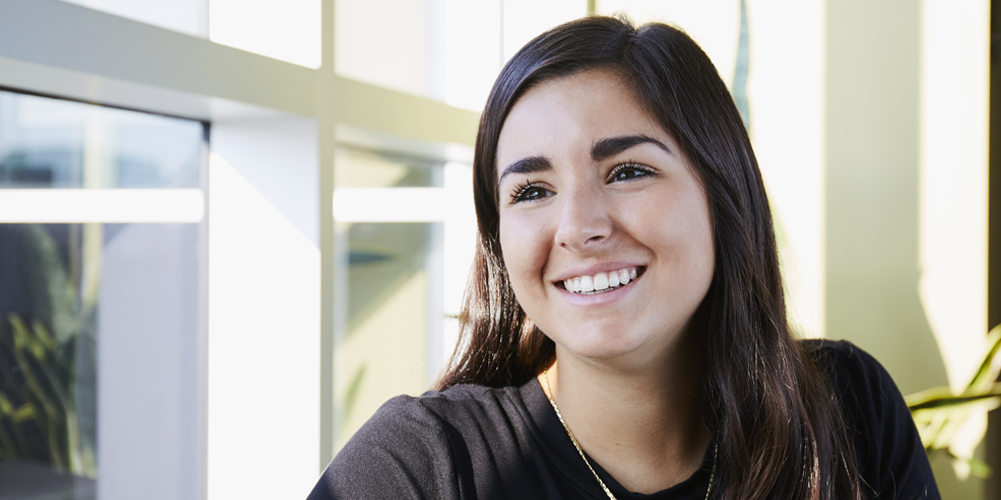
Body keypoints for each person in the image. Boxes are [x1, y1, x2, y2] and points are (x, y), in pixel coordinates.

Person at [308, 15, 939, 500]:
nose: (579, 227)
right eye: (531, 191)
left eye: (628, 171)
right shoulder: (424, 468)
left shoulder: (846, 410)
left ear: (723, 194)